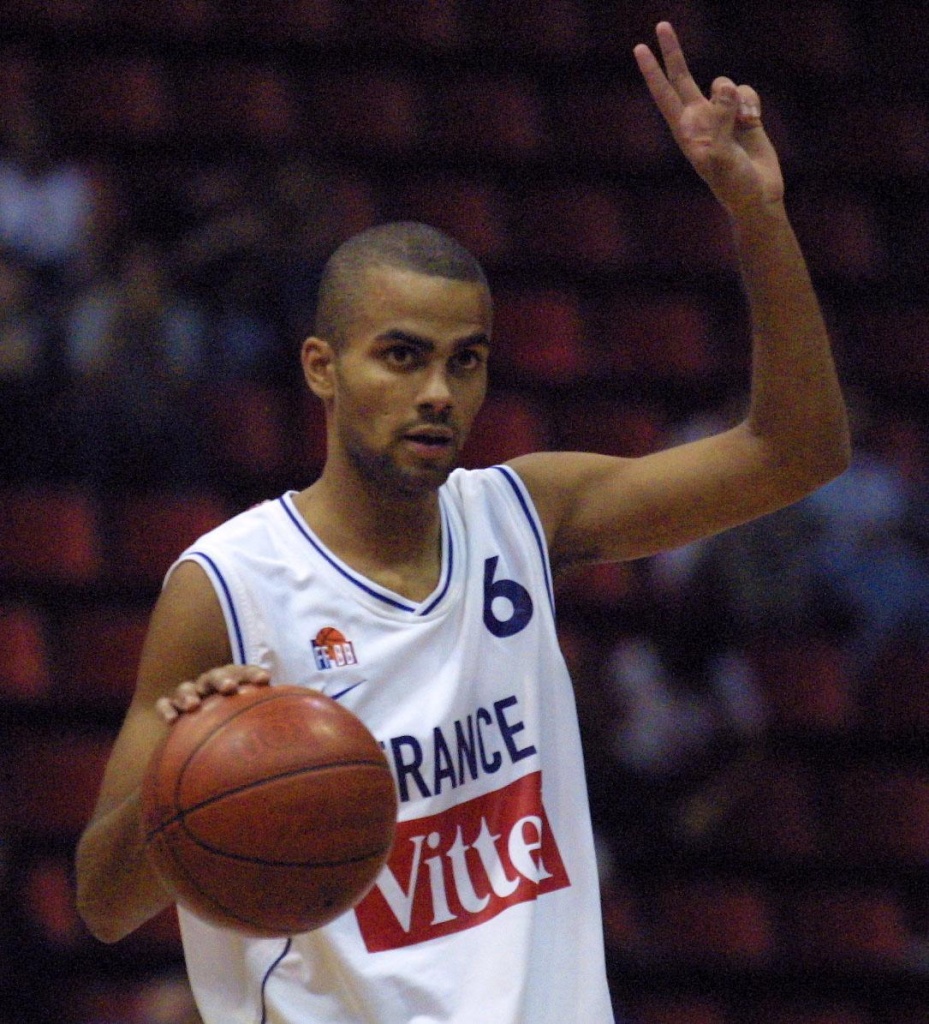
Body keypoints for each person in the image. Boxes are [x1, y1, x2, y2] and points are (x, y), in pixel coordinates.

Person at [75, 23, 850, 1024]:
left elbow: (794, 453)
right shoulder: (225, 586)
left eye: (464, 360)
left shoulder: (525, 513)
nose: (437, 390)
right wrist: (193, 764)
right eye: (400, 356)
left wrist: (756, 216)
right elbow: (102, 902)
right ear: (322, 367)